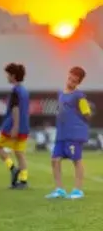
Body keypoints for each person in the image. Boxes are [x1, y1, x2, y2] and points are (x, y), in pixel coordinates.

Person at [45, 67, 91, 199]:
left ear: (78, 83)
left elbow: (87, 113)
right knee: (55, 160)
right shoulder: (61, 93)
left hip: (73, 133)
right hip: (61, 133)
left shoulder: (79, 96)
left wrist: (78, 125)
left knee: (76, 160)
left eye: (74, 81)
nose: (70, 82)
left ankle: (78, 190)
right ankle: (59, 189)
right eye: (70, 78)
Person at [0, 63, 30, 189]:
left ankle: (13, 168)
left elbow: (15, 109)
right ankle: (23, 180)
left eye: (8, 75)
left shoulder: (15, 91)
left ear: (13, 76)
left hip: (13, 125)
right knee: (20, 152)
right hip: (25, 126)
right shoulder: (24, 91)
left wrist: (15, 126)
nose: (7, 77)